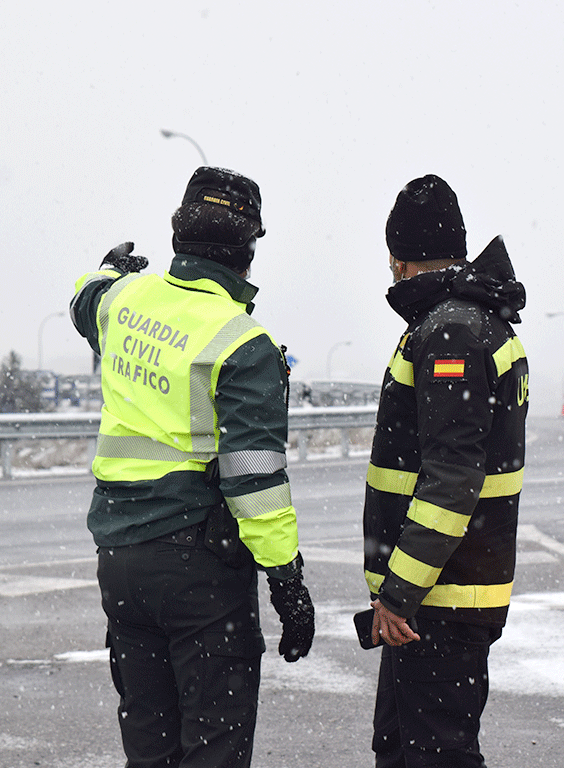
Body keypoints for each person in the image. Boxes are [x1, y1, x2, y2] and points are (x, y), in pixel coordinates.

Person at [69, 166, 315, 768]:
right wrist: (288, 584)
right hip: (199, 571)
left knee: (150, 746)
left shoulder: (123, 302)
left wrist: (110, 268)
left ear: (178, 236)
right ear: (247, 252)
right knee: (213, 748)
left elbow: (83, 299)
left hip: (121, 564)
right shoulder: (242, 343)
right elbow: (255, 480)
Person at [363, 174, 529, 767]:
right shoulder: (472, 320)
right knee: (404, 751)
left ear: (401, 262)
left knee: (434, 757)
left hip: (439, 600)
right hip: (441, 596)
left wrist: (400, 593)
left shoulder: (450, 331)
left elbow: (450, 481)